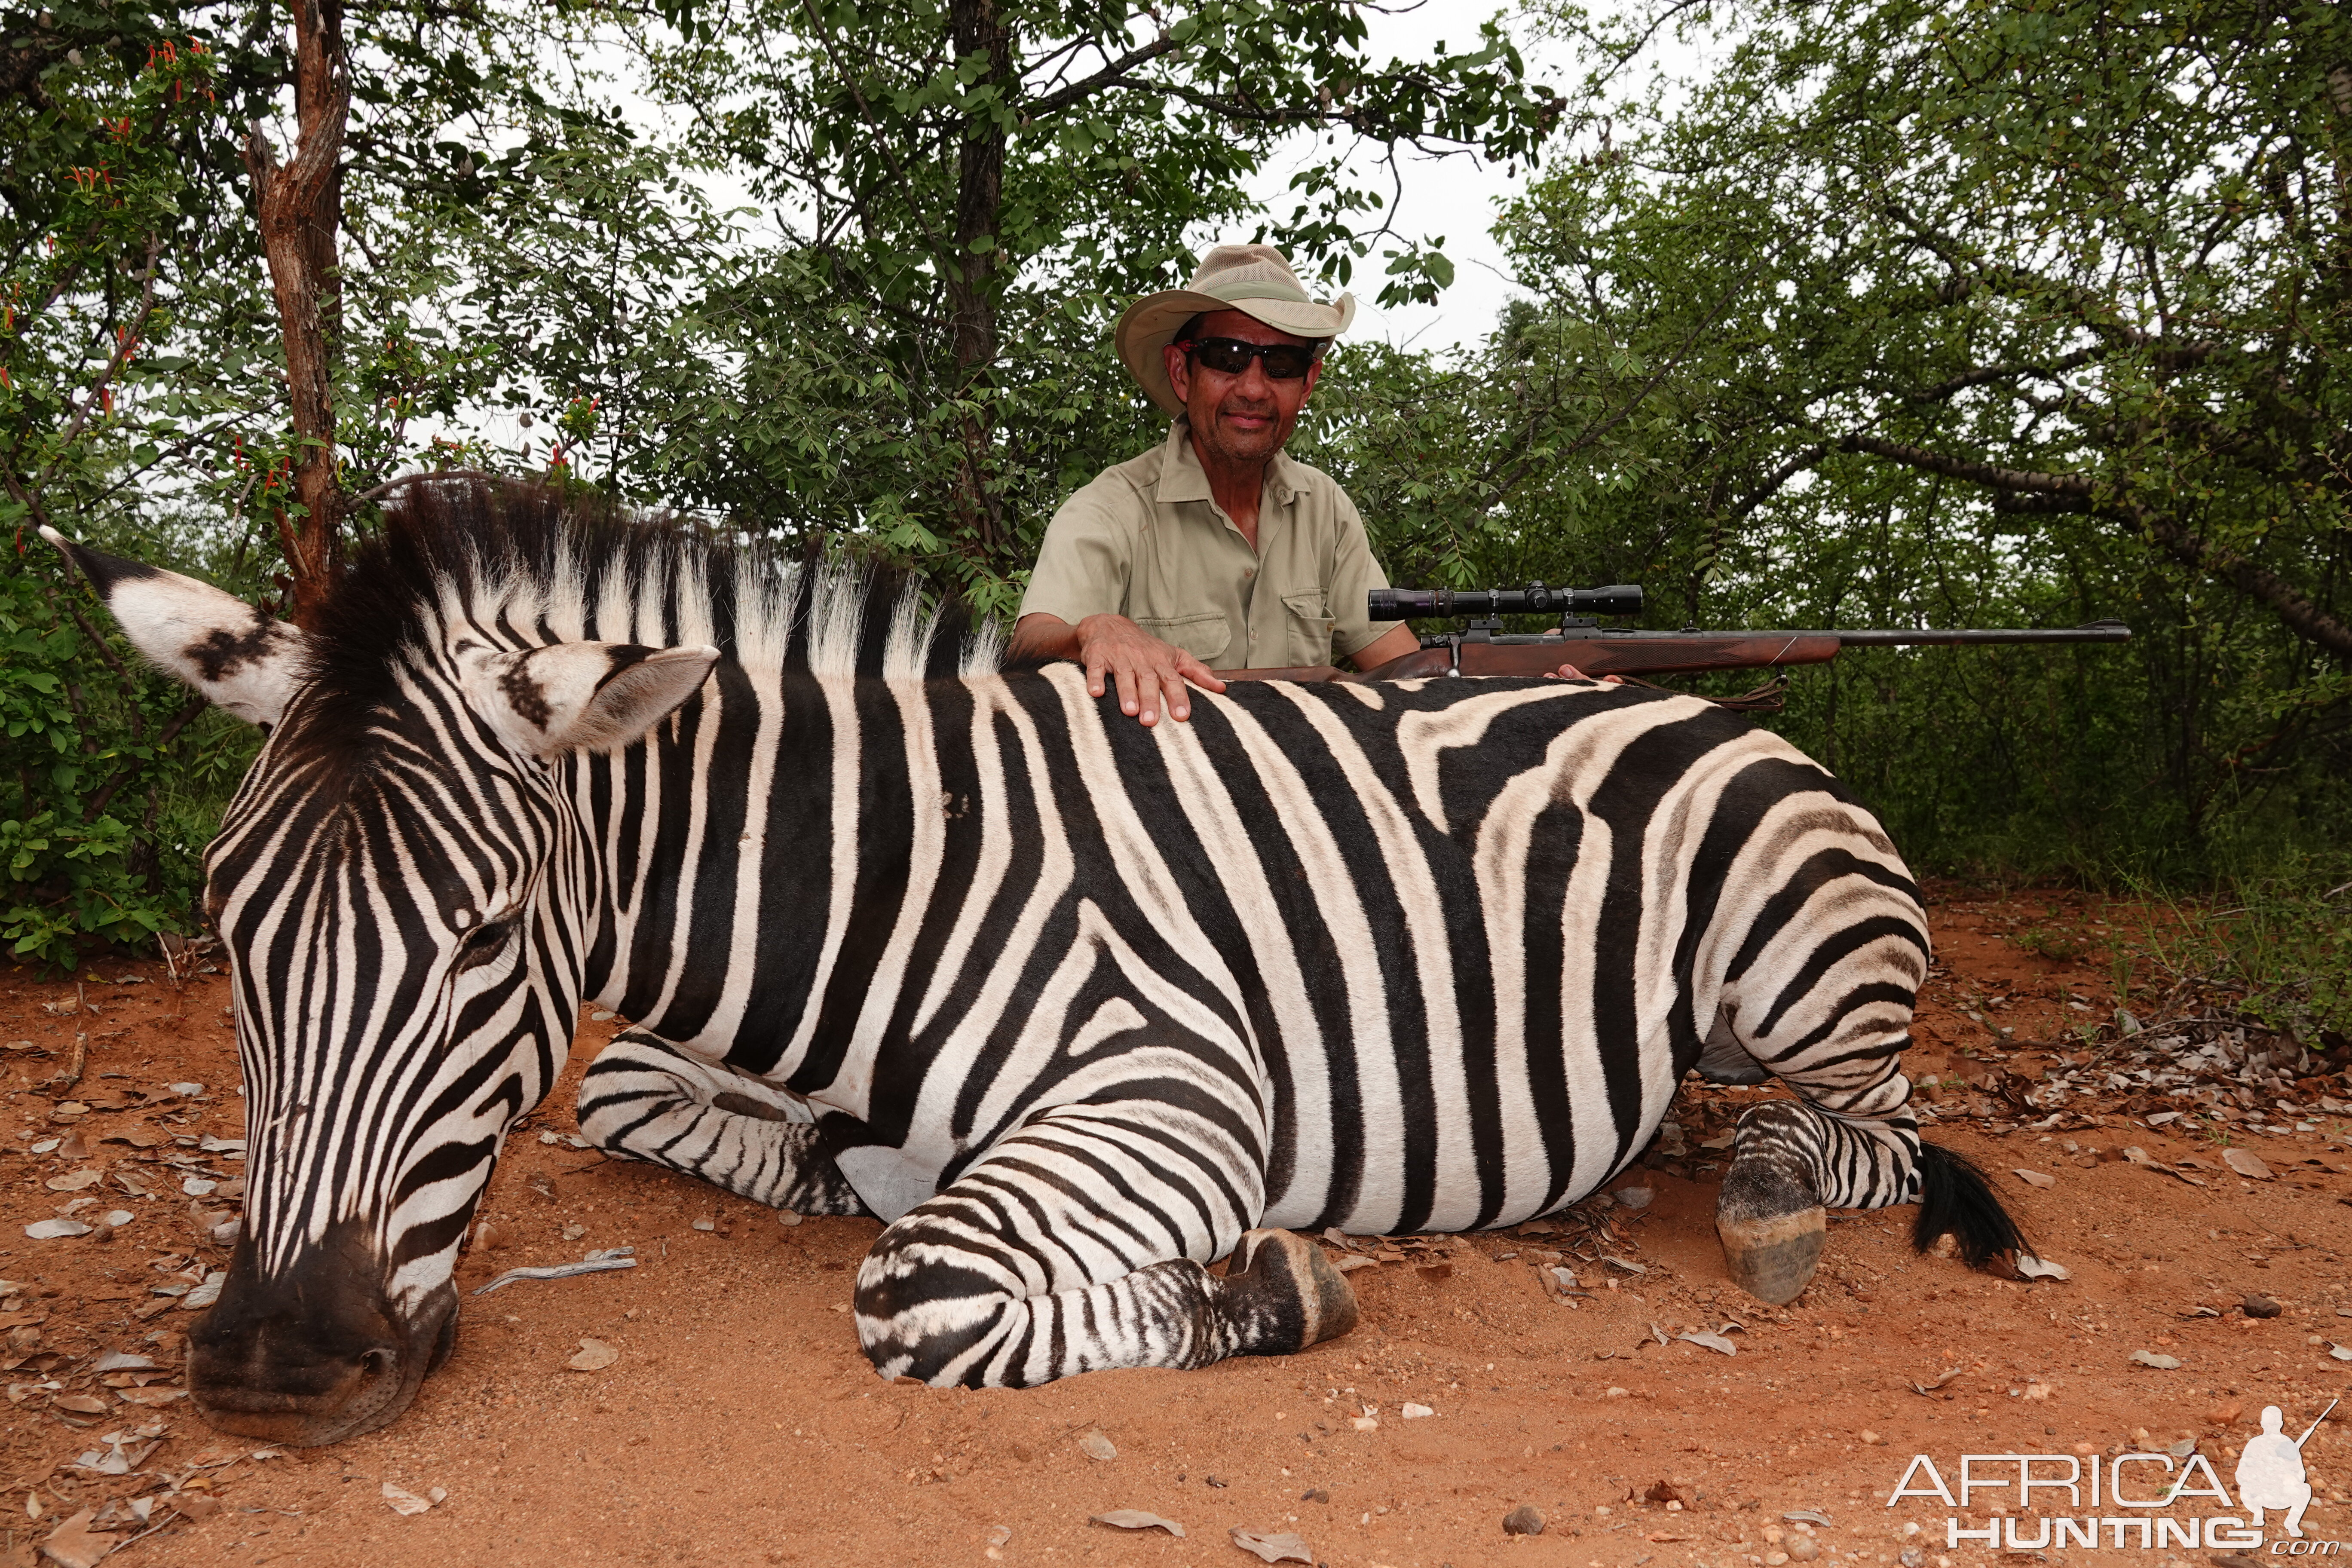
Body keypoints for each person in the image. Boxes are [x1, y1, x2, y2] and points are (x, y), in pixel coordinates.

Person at [1007, 244, 1423, 726]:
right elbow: (1029, 643)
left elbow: (1404, 670)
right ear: (1183, 373)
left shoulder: (1324, 508)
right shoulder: (1110, 509)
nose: (1253, 388)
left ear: (1308, 383)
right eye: (1228, 358)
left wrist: (1522, 672)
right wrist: (1097, 631)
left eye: (1282, 364)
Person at [2236, 1404, 2316, 1537]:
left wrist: (2289, 1478)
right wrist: (2258, 1476)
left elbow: (2301, 1474)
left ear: (2281, 1424)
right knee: (2245, 1488)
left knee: (2306, 1489)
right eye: (2269, 1424)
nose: (2271, 1427)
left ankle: (2292, 1523)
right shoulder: (2254, 1444)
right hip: (2259, 1494)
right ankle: (2258, 1513)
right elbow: (2241, 1474)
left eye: (2273, 1424)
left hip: (2282, 1493)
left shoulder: (2288, 1444)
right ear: (2262, 1424)